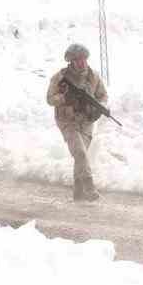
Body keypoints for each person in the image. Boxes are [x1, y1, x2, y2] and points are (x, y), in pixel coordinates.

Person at [46, 44, 108, 201]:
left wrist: (99, 108)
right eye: (78, 60)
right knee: (80, 153)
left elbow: (103, 96)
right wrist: (64, 98)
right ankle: (89, 187)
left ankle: (78, 194)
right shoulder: (60, 78)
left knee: (81, 157)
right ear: (71, 61)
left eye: (84, 59)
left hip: (86, 122)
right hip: (68, 121)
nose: (82, 62)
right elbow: (50, 99)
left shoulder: (93, 76)